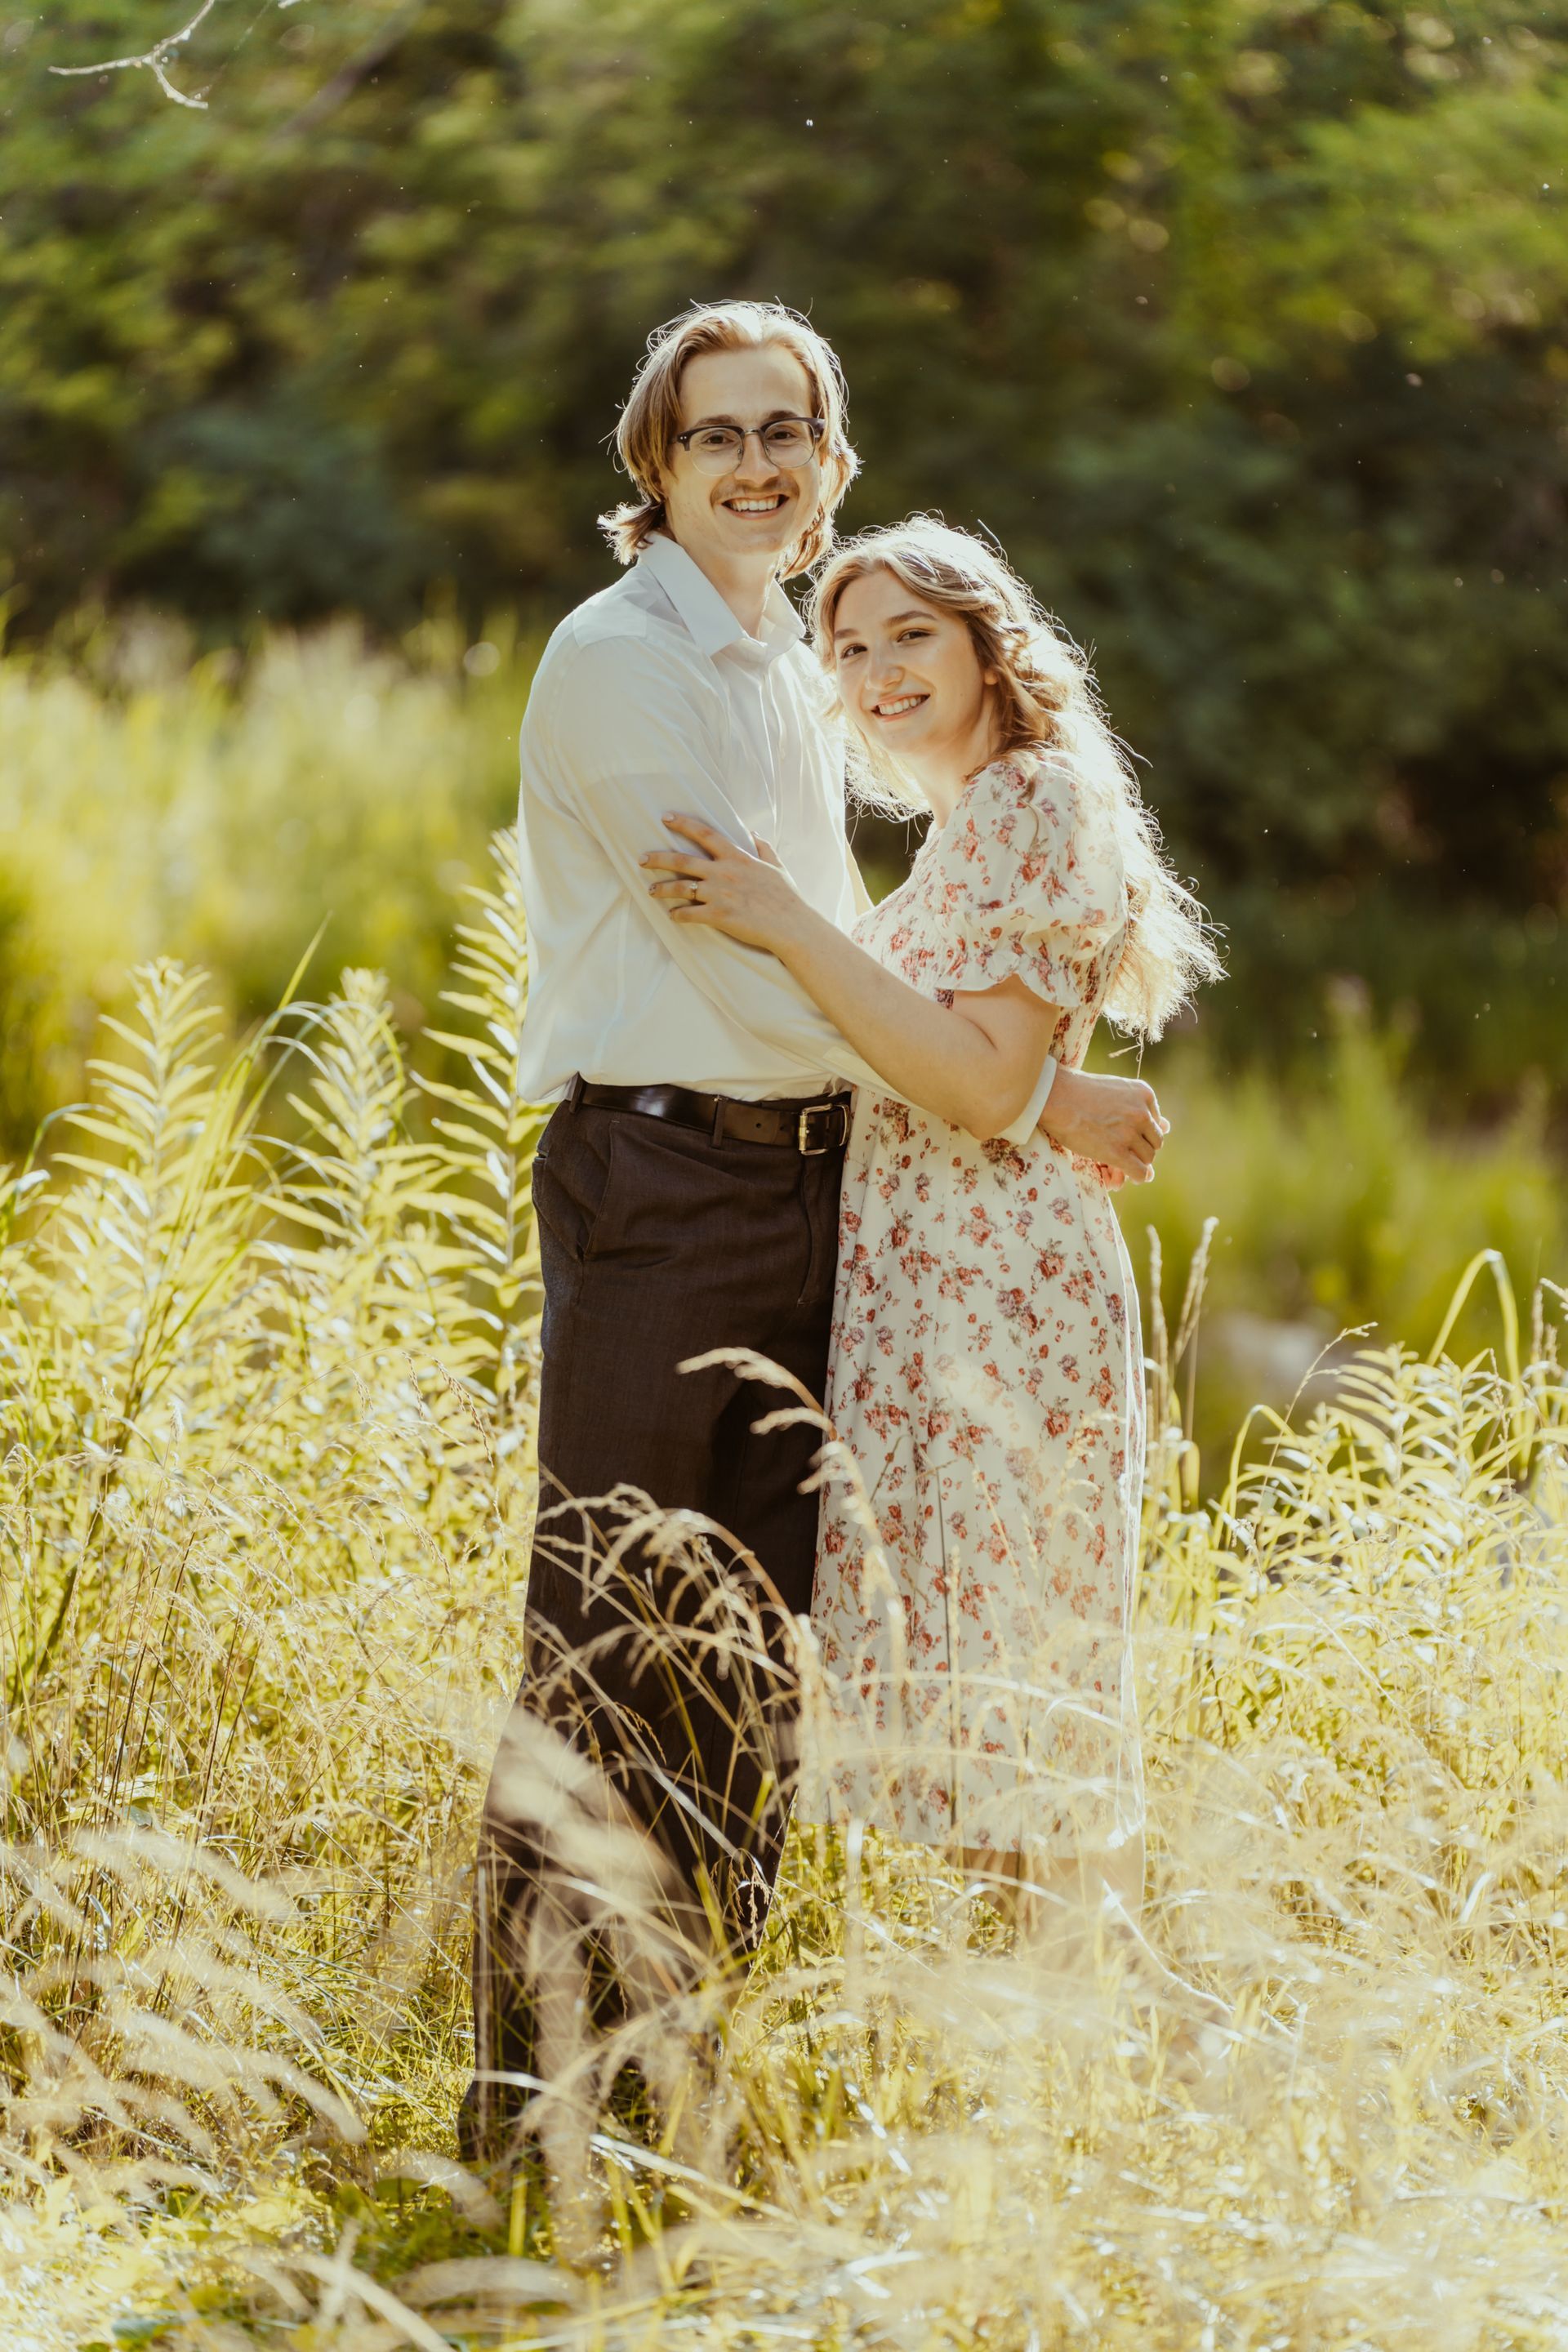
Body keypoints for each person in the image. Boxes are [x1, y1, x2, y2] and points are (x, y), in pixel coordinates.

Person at [463, 305, 1169, 2164]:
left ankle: (681, 2098)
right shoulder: (619, 666)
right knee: (609, 1632)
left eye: (791, 432)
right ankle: (533, 2114)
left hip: (814, 1190)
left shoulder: (796, 664)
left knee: (747, 1667)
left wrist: (997, 1074)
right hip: (665, 1177)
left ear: (834, 464)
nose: (759, 464)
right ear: (659, 467)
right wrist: (1025, 1096)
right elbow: (746, 956)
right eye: (719, 438)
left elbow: (869, 961)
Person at [643, 516, 1219, 1931]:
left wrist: (783, 919)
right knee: (984, 1695)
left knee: (1025, 1699)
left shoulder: (1028, 800)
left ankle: (1109, 2045)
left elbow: (972, 1075)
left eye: (911, 634)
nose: (877, 669)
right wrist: (1049, 1093)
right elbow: (959, 1054)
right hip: (935, 1288)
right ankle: (1039, 2045)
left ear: (986, 642)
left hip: (996, 1295)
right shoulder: (973, 822)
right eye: (848, 647)